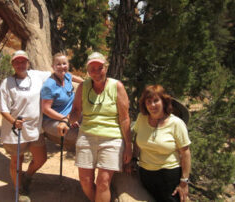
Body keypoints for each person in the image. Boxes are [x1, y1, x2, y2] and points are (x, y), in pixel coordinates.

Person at [57, 52, 133, 202]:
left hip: (112, 138)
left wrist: (128, 145)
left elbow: (124, 118)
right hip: (87, 136)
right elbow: (76, 111)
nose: (96, 72)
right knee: (85, 181)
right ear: (87, 70)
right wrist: (66, 122)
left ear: (106, 68)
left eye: (100, 68)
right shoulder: (83, 87)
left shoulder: (117, 86)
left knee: (103, 182)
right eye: (92, 68)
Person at [0, 50, 51, 202]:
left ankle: (28, 176)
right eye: (17, 62)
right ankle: (19, 190)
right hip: (15, 130)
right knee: (16, 162)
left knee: (41, 158)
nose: (20, 65)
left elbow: (58, 73)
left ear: (28, 62)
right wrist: (13, 121)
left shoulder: (36, 75)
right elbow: (3, 108)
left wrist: (83, 82)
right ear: (13, 64)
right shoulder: (7, 83)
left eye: (23, 61)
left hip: (35, 129)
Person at [131, 84, 191, 202]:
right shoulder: (141, 118)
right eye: (148, 101)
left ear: (164, 101)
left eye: (156, 100)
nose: (152, 105)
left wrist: (184, 181)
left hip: (169, 176)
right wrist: (134, 159)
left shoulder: (176, 123)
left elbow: (185, 153)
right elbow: (137, 139)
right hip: (145, 174)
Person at [41, 52, 83, 150]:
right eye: (58, 64)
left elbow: (81, 80)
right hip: (53, 120)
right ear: (53, 66)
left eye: (64, 64)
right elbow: (46, 109)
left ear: (68, 65)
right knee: (80, 136)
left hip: (70, 115)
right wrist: (65, 119)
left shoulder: (67, 76)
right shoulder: (49, 86)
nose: (62, 66)